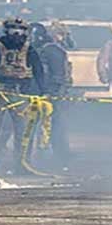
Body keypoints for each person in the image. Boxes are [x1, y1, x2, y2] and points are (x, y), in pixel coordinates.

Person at [0, 18, 45, 169]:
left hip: (21, 94)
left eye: (21, 29)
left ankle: (23, 164)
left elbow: (39, 72)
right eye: (13, 28)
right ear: (6, 30)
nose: (17, 32)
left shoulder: (30, 50)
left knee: (24, 131)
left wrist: (43, 92)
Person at [31, 23, 72, 161]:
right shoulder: (51, 49)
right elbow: (57, 75)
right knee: (51, 122)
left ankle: (57, 151)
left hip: (48, 91)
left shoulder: (48, 49)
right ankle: (56, 152)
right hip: (49, 92)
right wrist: (52, 91)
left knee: (50, 122)